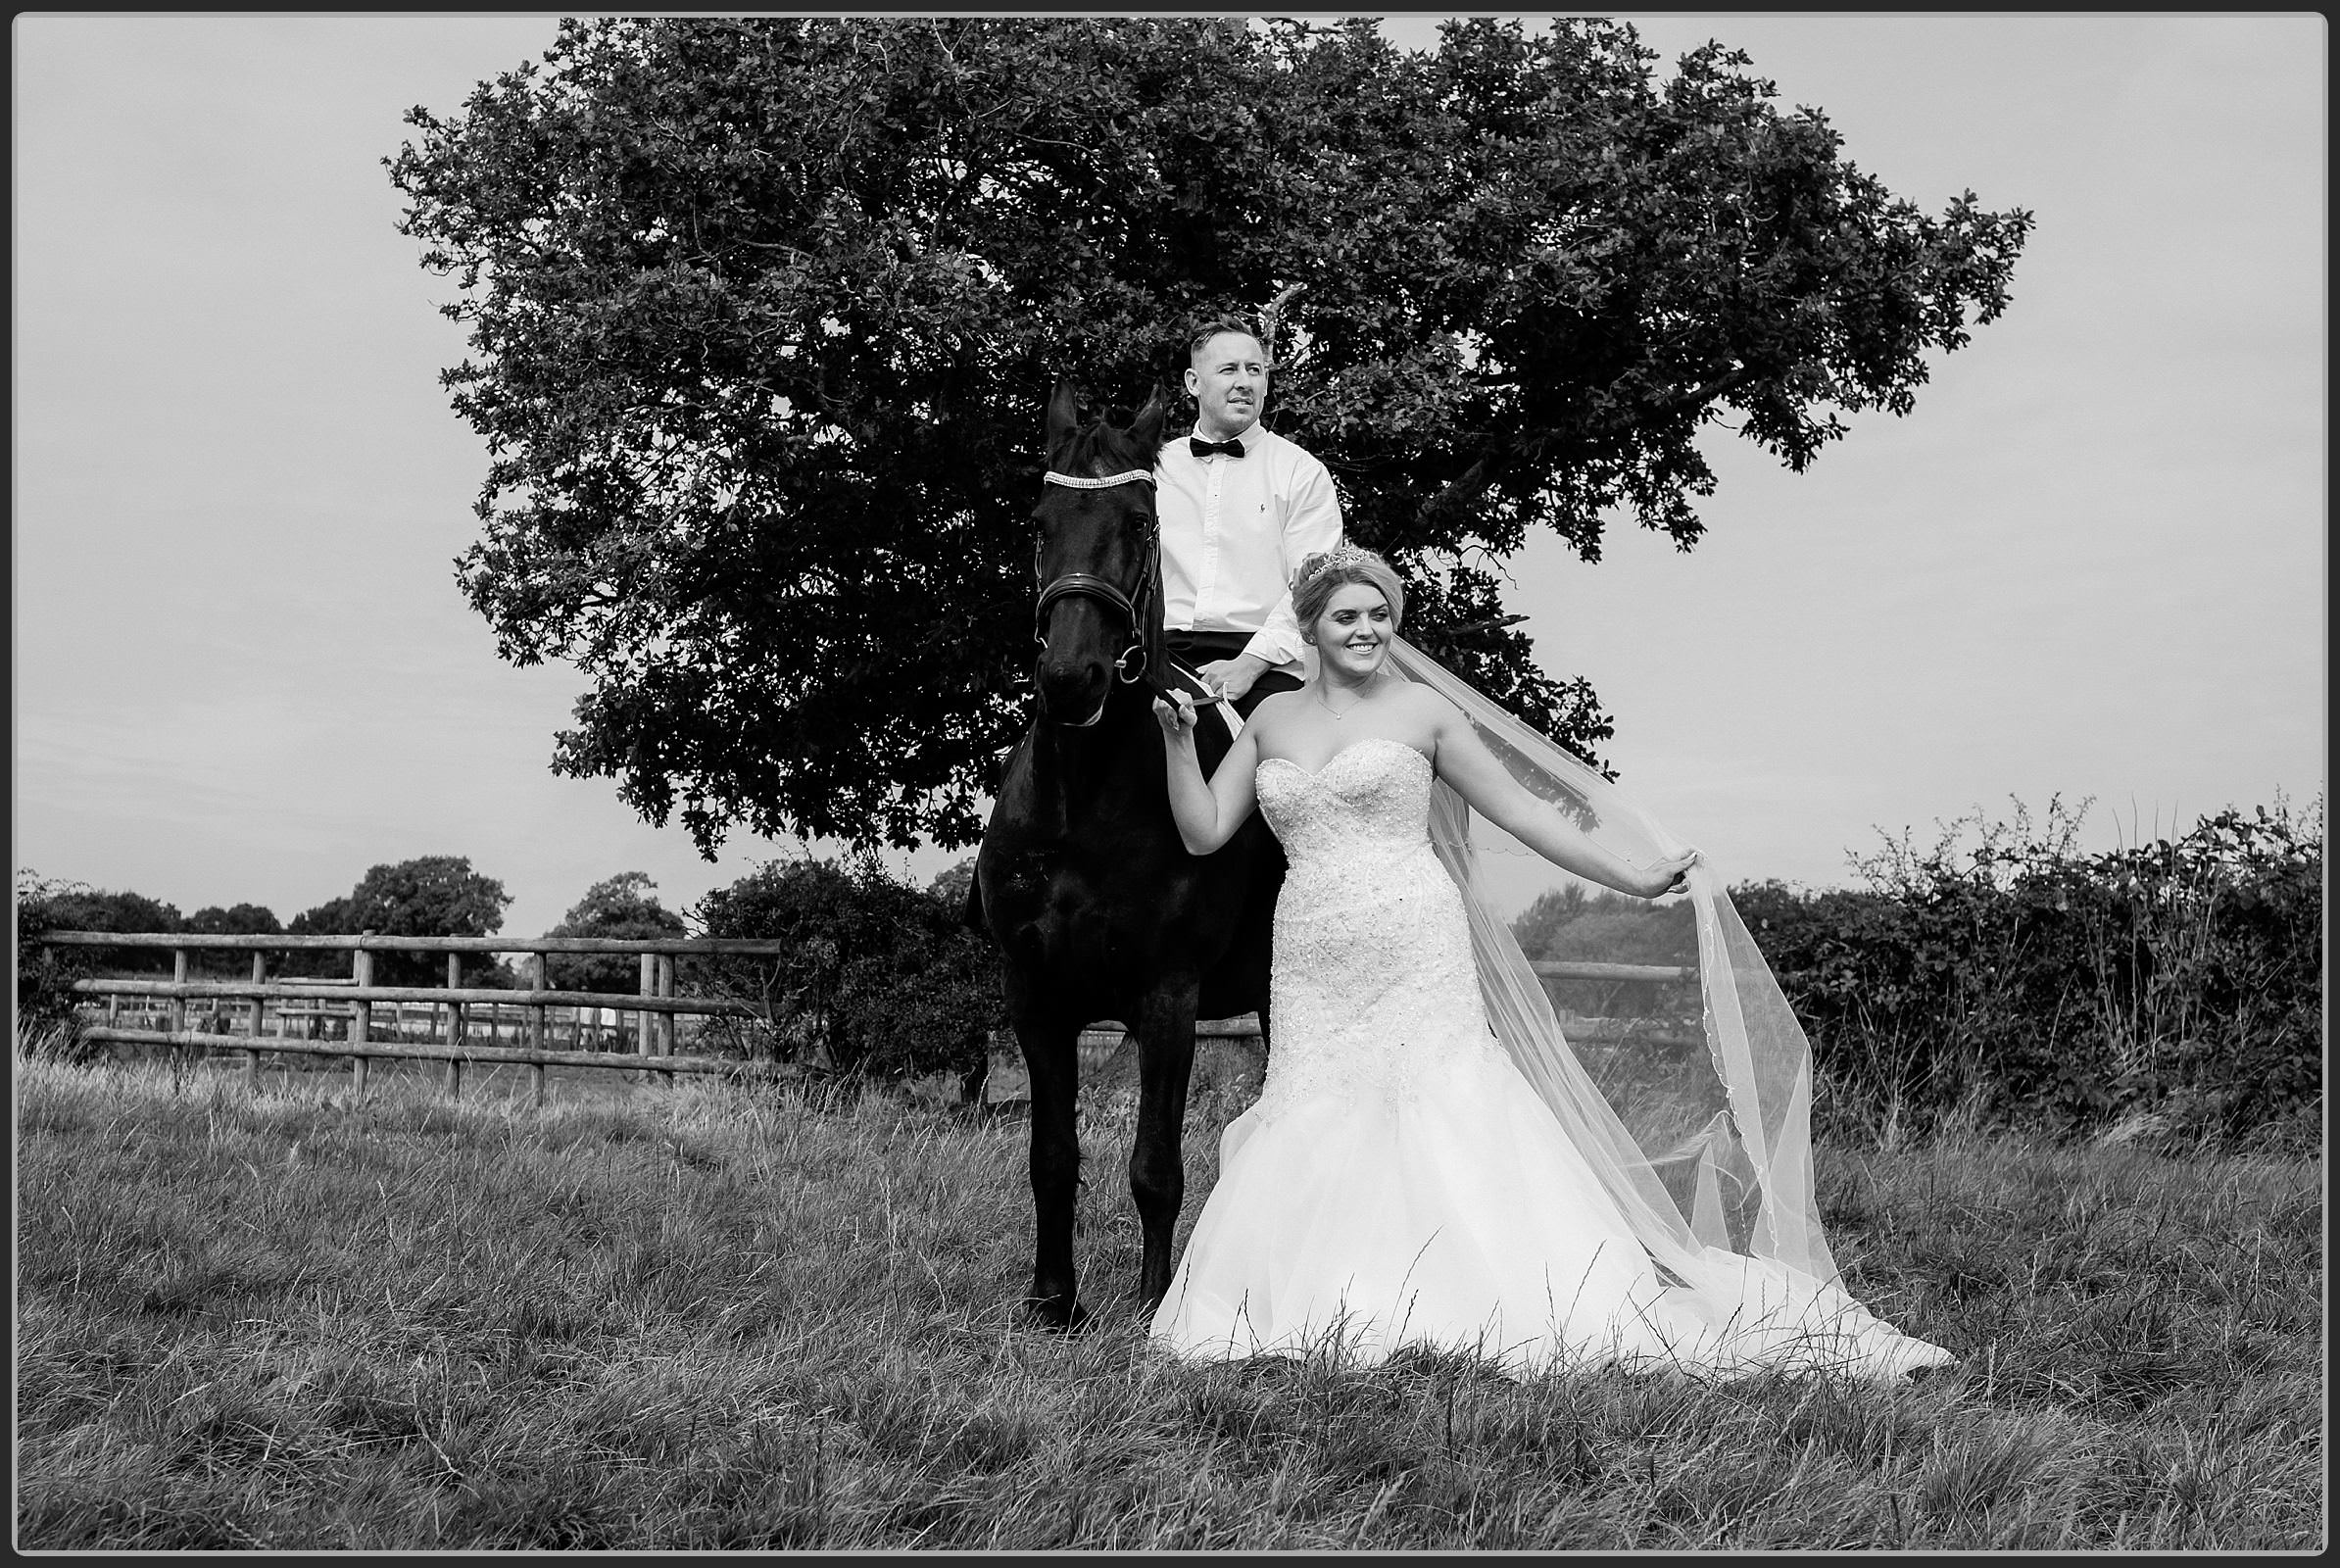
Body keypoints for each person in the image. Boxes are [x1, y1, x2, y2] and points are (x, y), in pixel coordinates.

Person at [1146, 543, 1955, 1380]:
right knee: (1314, 1101)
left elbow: (1525, 811)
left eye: (1380, 614)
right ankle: (1322, 1297)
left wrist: (1632, 875)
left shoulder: (1422, 711)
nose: (1367, 630)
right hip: (1313, 948)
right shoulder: (1274, 722)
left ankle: (1472, 1294)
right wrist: (1178, 744)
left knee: (1436, 1101)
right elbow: (1205, 829)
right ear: (1309, 626)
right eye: (1346, 616)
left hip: (1412, 939)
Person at [1156, 314, 1344, 719]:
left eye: (1254, 370)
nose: (1245, 381)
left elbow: (1316, 584)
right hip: (1162, 654)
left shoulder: (1300, 471)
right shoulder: (1156, 470)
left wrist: (1250, 664)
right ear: (1194, 383)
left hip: (1269, 663)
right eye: (1229, 369)